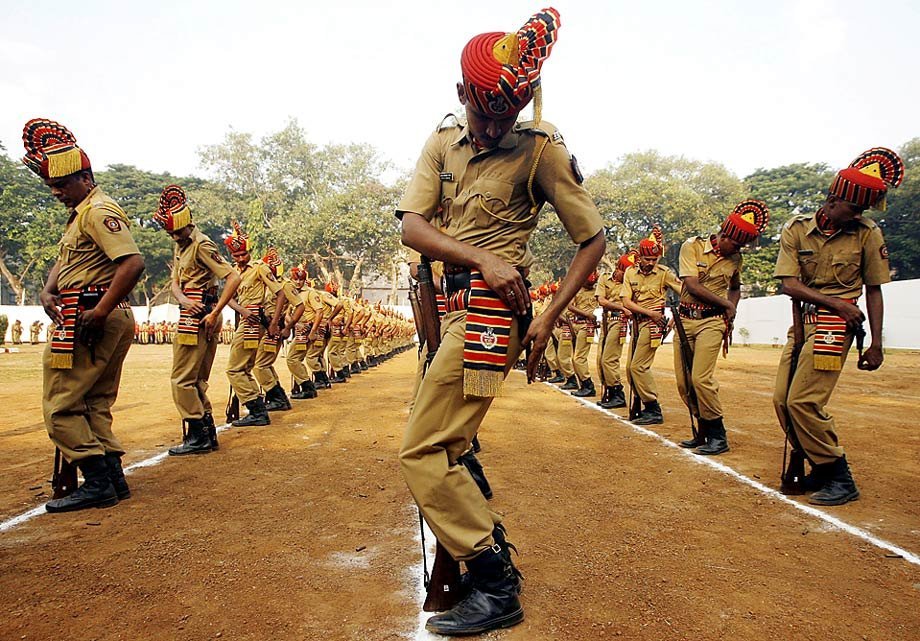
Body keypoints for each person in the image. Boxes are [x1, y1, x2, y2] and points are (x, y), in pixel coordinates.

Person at [396, 8, 605, 635]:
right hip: (450, 303)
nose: (493, 126)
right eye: (484, 112)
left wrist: (547, 316)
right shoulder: (441, 142)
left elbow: (590, 239)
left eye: (505, 115)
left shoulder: (540, 150)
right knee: (450, 442)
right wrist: (477, 256)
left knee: (422, 448)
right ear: (462, 94)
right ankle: (480, 555)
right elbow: (413, 226)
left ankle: (494, 580)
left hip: (492, 315)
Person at [22, 117, 145, 512]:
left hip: (92, 313)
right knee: (94, 402)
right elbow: (67, 259)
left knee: (61, 404)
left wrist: (101, 310)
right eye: (51, 186)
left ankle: (95, 483)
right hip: (97, 311)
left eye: (61, 184)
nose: (56, 192)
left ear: (84, 177)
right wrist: (46, 289)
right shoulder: (81, 214)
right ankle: (111, 480)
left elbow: (132, 263)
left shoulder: (97, 211)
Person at [773, 147, 902, 506]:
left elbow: (874, 290)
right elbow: (789, 284)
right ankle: (821, 465)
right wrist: (836, 302)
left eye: (862, 211)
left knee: (804, 401)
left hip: (835, 327)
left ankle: (838, 474)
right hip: (803, 323)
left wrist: (876, 343)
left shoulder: (866, 233)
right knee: (782, 401)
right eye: (855, 208)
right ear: (833, 202)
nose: (859, 215)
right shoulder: (797, 230)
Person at [674, 200, 769, 455]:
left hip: (712, 322)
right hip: (685, 320)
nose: (737, 250)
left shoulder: (735, 259)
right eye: (736, 244)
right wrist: (727, 304)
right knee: (685, 383)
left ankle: (718, 435)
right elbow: (692, 285)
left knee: (701, 378)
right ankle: (703, 430)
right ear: (724, 235)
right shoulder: (691, 247)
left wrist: (731, 307)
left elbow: (735, 287)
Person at [153, 185, 241, 456]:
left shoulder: (201, 244)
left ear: (187, 224)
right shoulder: (180, 246)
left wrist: (215, 312)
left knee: (183, 379)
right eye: (171, 233)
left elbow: (233, 277)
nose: (175, 237)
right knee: (194, 379)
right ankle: (206, 432)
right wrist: (181, 299)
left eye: (177, 232)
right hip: (189, 311)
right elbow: (175, 283)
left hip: (201, 317)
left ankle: (197, 435)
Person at [224, 224, 293, 426]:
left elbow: (280, 293)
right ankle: (261, 407)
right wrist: (241, 310)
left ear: (249, 252)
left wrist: (273, 323)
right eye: (236, 255)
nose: (240, 258)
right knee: (246, 366)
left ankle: (256, 409)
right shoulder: (235, 273)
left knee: (235, 369)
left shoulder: (259, 268)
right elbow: (228, 298)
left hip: (254, 322)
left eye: (243, 254)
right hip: (246, 317)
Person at [621, 227, 681, 425]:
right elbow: (626, 302)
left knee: (639, 366)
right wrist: (648, 313)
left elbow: (685, 290)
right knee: (630, 368)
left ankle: (652, 407)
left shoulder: (664, 274)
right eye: (647, 259)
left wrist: (677, 315)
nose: (651, 263)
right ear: (640, 257)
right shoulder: (630, 272)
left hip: (654, 326)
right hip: (639, 323)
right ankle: (642, 404)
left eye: (655, 259)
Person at [252, 248, 303, 412]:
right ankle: (278, 396)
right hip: (265, 325)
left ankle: (277, 398)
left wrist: (288, 326)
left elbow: (299, 306)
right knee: (265, 363)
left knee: (260, 365)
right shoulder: (267, 285)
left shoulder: (285, 285)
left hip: (274, 327)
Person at [595, 252, 636, 408]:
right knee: (600, 359)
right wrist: (620, 307)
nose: (623, 276)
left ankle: (617, 393)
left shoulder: (629, 283)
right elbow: (601, 300)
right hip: (607, 319)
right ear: (618, 268)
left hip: (620, 321)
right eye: (622, 272)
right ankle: (609, 390)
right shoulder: (605, 278)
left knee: (609, 358)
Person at [565, 271, 600, 397]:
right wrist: (586, 314)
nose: (590, 285)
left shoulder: (598, 291)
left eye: (592, 283)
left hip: (587, 326)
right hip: (576, 324)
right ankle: (583, 384)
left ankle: (588, 384)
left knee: (579, 358)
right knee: (575, 356)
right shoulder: (577, 289)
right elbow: (570, 306)